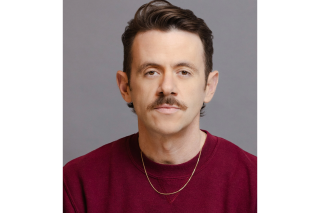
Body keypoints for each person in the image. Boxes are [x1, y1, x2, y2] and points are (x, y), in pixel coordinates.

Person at [62, 0, 258, 212]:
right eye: (151, 72)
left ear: (209, 87)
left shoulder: (253, 181)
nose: (167, 87)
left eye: (184, 72)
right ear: (125, 86)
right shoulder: (77, 182)